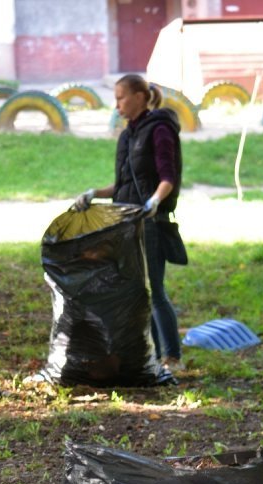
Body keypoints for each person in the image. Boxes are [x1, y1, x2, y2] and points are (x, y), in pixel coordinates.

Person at [75, 75, 185, 369]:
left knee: (155, 291)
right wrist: (94, 195)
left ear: (139, 96)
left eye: (121, 97)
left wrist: (154, 202)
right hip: (124, 223)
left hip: (149, 222)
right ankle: (153, 355)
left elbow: (168, 178)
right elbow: (122, 185)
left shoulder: (160, 129)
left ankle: (172, 357)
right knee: (136, 291)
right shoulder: (127, 136)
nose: (117, 104)